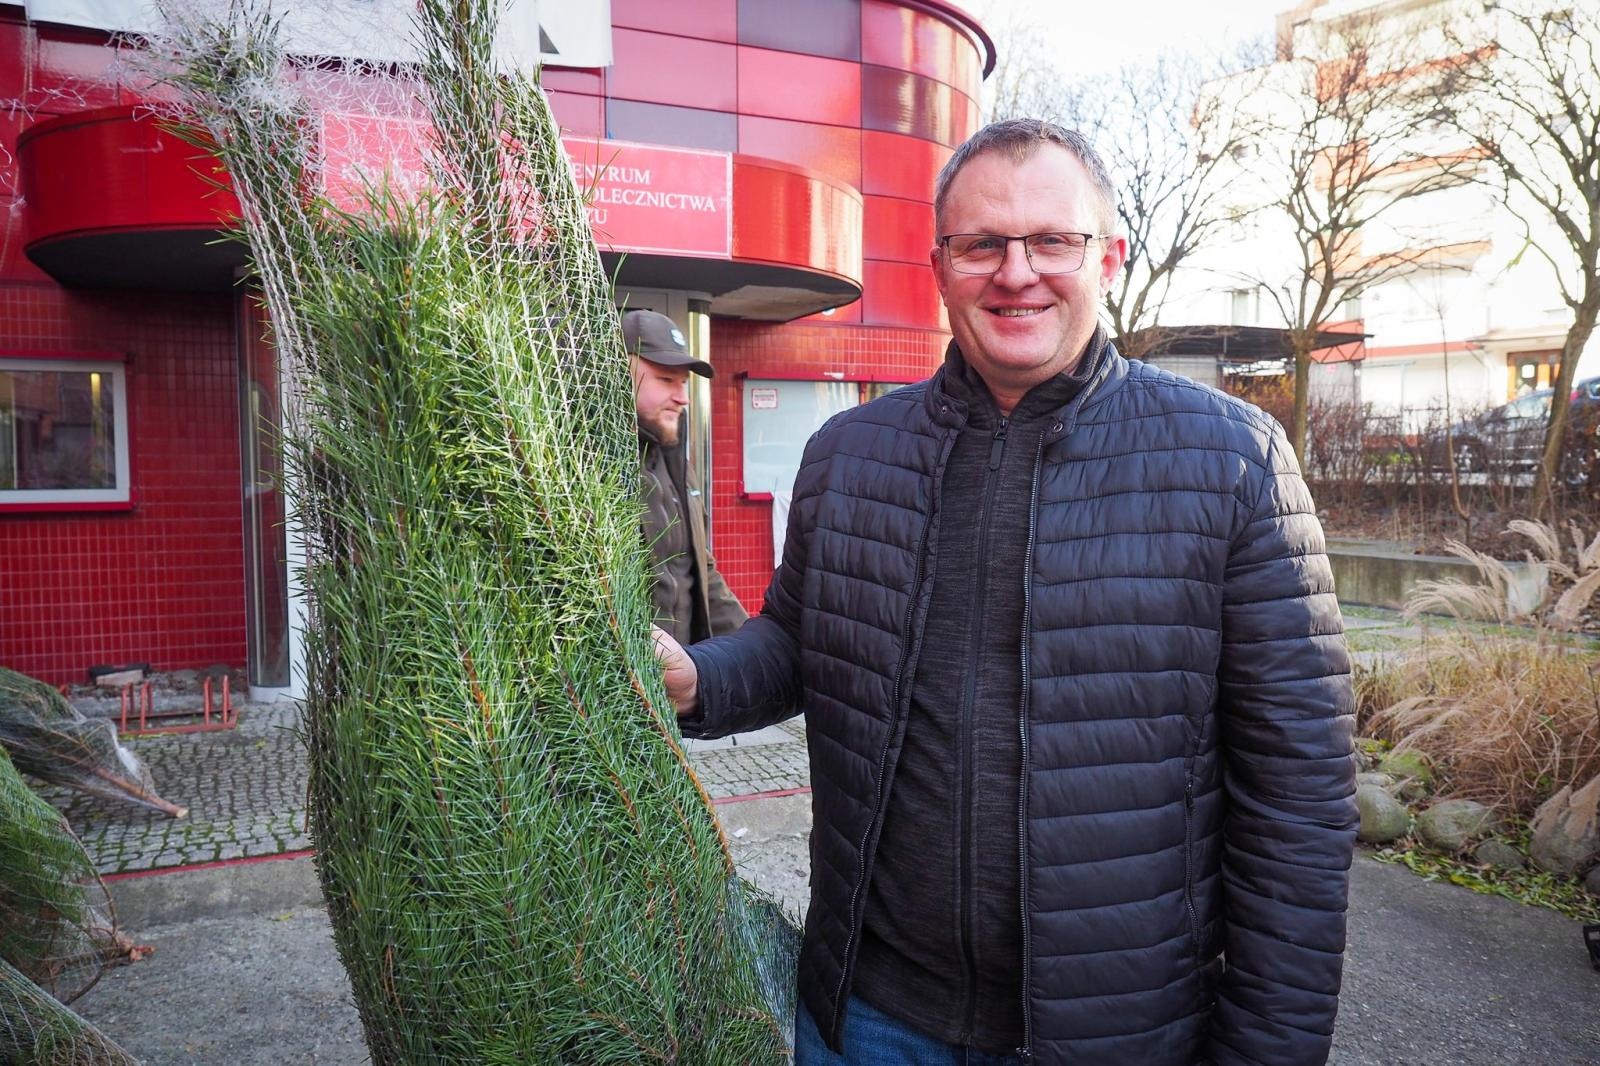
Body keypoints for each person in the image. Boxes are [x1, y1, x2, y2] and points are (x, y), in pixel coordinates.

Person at [653, 119, 1357, 1066]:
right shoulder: (851, 455)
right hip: (870, 1018)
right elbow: (798, 642)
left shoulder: (1233, 461)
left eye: (1050, 240)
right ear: (939, 266)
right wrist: (695, 680)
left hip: (1118, 1034)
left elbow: (1297, 798)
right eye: (982, 243)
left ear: (1105, 256)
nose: (1015, 271)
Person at [624, 308, 748, 644]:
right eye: (665, 380)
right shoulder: (591, 465)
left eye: (683, 383)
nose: (682, 398)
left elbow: (699, 570)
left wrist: (751, 650)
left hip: (684, 678)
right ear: (618, 375)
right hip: (623, 685)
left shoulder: (675, 459)